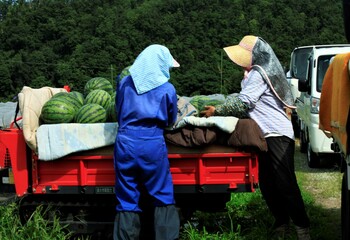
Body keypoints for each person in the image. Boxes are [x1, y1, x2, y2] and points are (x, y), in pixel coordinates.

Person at [201, 35, 311, 240]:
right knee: (268, 184)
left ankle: (302, 228)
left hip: (276, 134)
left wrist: (216, 111)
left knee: (285, 183)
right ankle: (281, 223)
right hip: (264, 135)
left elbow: (243, 104)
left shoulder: (259, 74)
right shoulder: (254, 74)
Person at [113, 44, 180, 240]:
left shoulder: (124, 82)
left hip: (125, 141)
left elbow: (118, 110)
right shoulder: (167, 88)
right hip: (152, 141)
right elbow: (170, 119)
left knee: (126, 197)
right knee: (162, 193)